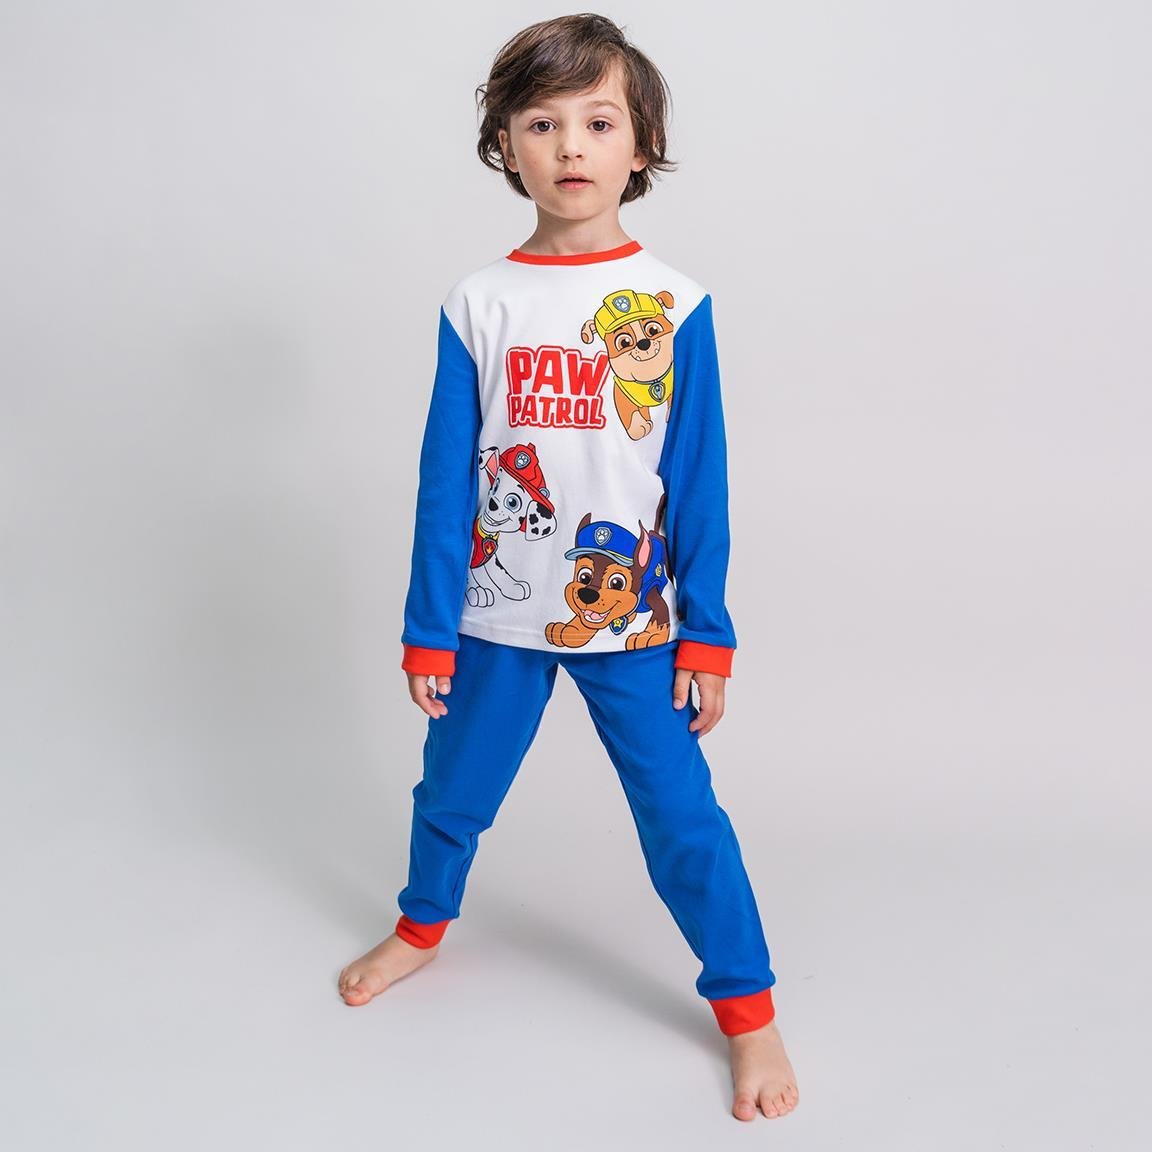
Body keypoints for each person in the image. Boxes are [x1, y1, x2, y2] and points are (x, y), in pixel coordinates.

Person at [337, 13, 800, 1123]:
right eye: (542, 124)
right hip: (492, 619)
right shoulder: (479, 303)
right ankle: (420, 928)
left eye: (599, 122)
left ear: (642, 145)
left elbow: (699, 480)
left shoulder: (677, 304)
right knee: (452, 793)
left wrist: (708, 632)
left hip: (633, 625)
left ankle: (749, 1011)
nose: (572, 146)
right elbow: (446, 482)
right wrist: (427, 627)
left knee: (682, 821)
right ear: (506, 144)